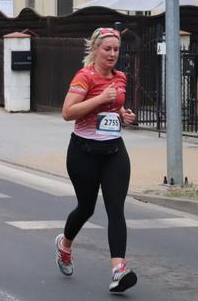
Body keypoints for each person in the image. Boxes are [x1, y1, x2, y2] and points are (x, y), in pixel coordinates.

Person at [57, 27, 137, 293]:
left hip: (114, 151)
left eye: (116, 49)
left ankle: (118, 270)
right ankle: (65, 245)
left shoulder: (121, 77)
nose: (112, 54)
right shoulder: (85, 77)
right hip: (83, 152)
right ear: (95, 49)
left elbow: (114, 110)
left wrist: (124, 114)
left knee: (116, 208)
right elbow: (68, 112)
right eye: (107, 49)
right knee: (86, 208)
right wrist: (101, 97)